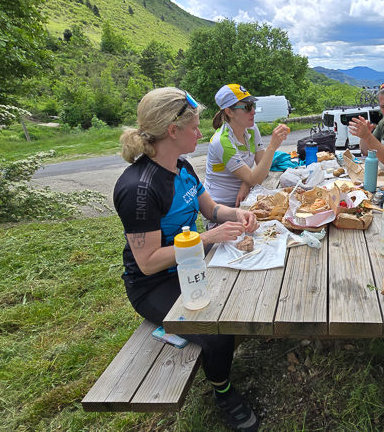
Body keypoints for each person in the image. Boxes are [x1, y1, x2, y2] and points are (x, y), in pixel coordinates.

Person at [113, 87, 260, 432]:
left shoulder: (181, 165)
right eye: (194, 127)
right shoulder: (139, 188)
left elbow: (211, 209)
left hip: (190, 263)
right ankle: (224, 393)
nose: (200, 132)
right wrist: (206, 238)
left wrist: (239, 213)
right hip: (153, 284)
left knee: (246, 294)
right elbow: (147, 261)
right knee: (217, 332)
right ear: (172, 131)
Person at [204, 84, 290, 213]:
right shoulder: (222, 141)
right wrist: (272, 146)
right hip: (221, 207)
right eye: (247, 107)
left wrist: (246, 182)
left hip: (244, 200)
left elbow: (263, 168)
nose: (253, 112)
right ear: (229, 112)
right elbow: (256, 177)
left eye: (253, 106)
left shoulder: (251, 128)